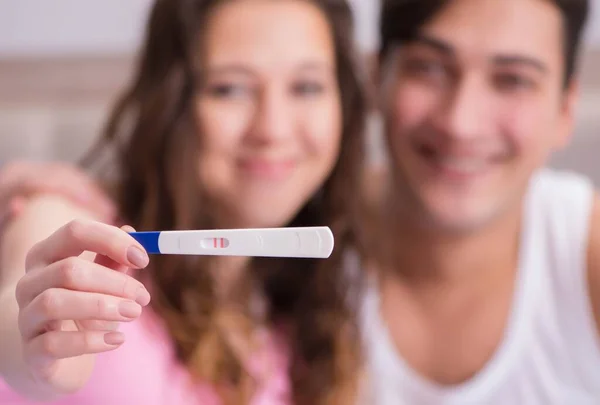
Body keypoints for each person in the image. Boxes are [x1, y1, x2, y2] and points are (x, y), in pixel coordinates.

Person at [0, 0, 368, 404]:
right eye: (230, 88)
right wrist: (41, 352)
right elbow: (17, 324)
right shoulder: (79, 229)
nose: (273, 129)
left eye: (307, 86)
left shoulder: (302, 312)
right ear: (173, 103)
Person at [361, 0, 599, 403]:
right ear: (376, 77)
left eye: (513, 80)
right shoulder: (294, 237)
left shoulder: (585, 255)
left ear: (565, 108)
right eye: (428, 67)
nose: (460, 122)